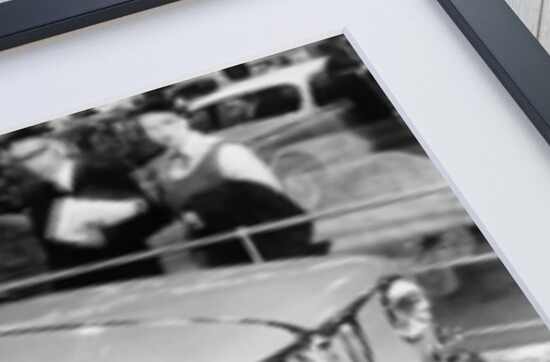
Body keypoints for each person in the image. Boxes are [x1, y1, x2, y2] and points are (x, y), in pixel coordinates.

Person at [136, 102, 328, 267]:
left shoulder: (226, 153)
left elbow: (272, 200)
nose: (162, 132)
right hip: (217, 252)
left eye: (167, 122)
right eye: (151, 129)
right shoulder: (166, 168)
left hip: (259, 246)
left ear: (183, 120)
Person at [5, 127, 170, 291]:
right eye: (22, 160)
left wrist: (105, 236)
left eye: (37, 153)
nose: (33, 163)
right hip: (82, 284)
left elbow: (154, 217)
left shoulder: (105, 171)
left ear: (56, 146)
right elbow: (53, 249)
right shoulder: (36, 195)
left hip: (132, 272)